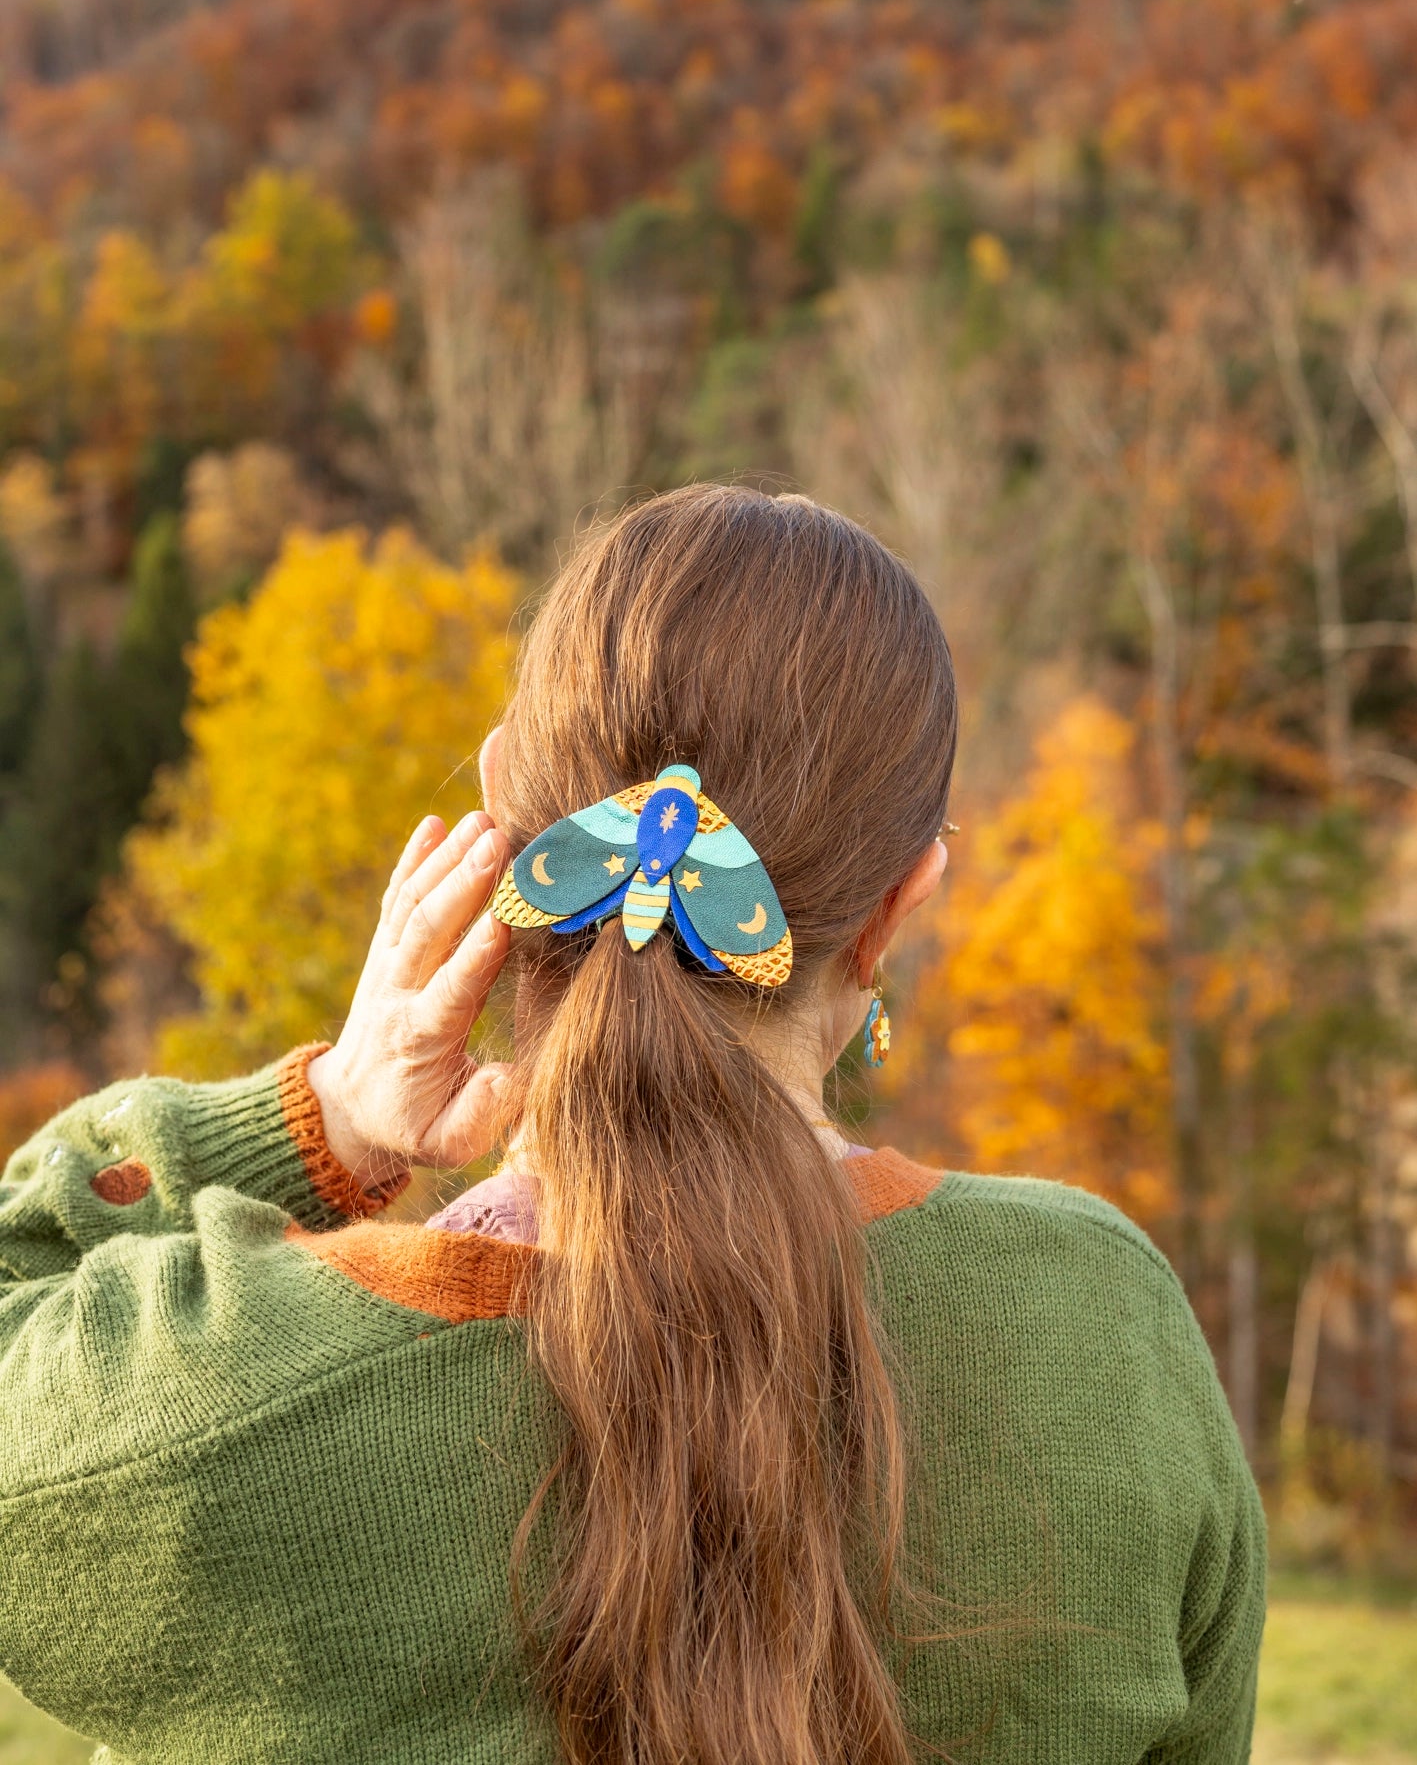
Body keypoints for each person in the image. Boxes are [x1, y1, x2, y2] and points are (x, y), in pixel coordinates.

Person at [0, 486, 1264, 1765]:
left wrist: (326, 1118)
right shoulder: (1108, 1327)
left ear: (505, 802)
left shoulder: (213, 1407)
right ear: (900, 900)